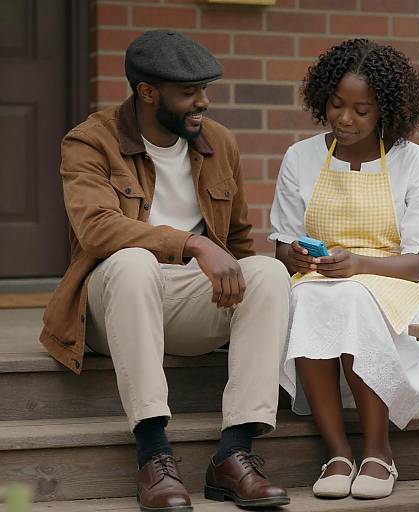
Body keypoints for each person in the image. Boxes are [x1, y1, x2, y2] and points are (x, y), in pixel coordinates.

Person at [40, 30, 291, 511]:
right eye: (189, 93)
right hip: (113, 305)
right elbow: (96, 230)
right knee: (133, 262)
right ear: (147, 92)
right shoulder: (89, 142)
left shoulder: (219, 142)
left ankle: (234, 455)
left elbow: (237, 241)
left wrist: (234, 269)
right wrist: (194, 244)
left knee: (267, 271)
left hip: (190, 304)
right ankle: (154, 456)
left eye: (205, 89)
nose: (204, 102)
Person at [270, 39, 419, 500]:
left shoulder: (416, 163)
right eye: (336, 104)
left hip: (391, 279)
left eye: (361, 110)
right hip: (319, 278)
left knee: (353, 295)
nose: (344, 118)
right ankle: (338, 453)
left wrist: (359, 264)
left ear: (387, 110)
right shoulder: (300, 158)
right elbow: (282, 247)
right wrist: (297, 257)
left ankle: (378, 450)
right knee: (308, 295)